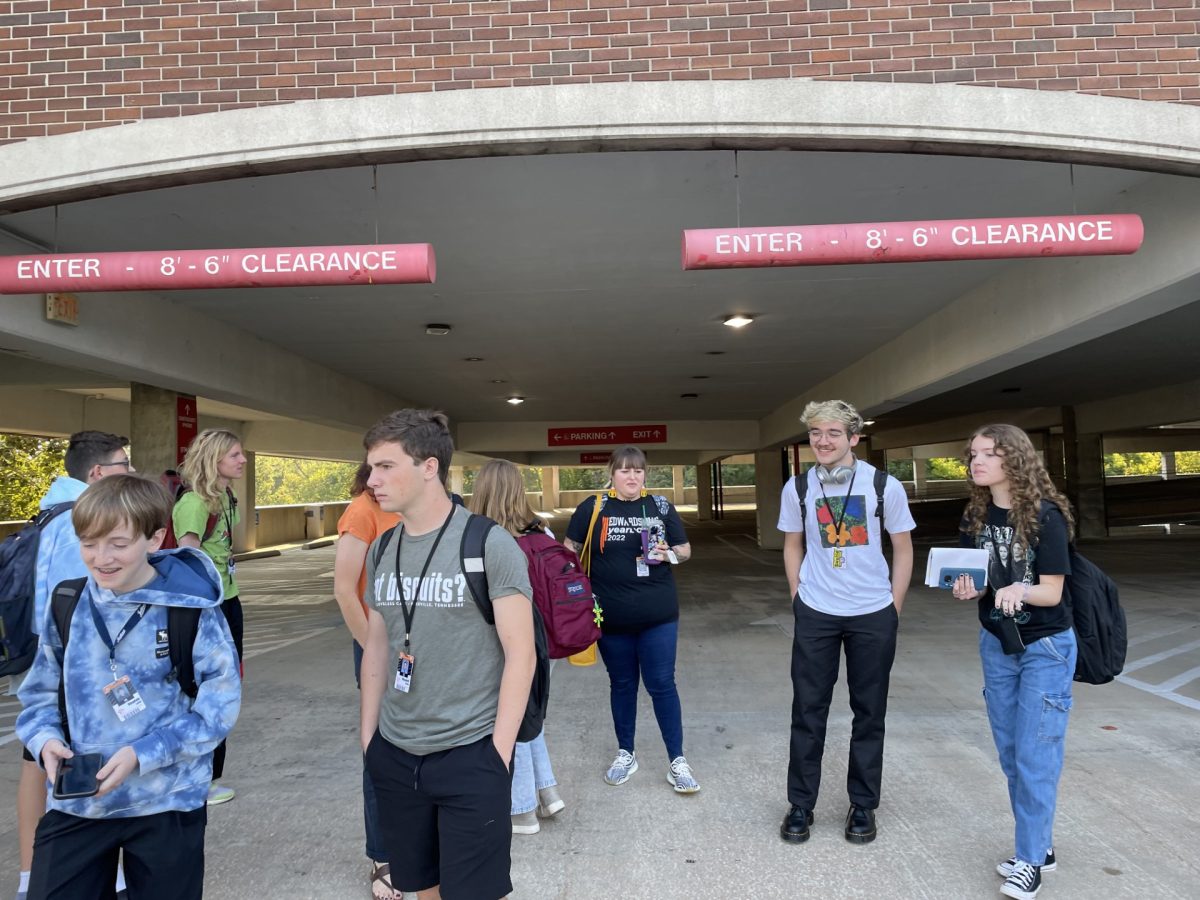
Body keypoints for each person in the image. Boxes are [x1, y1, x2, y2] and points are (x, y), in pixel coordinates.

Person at [16, 474, 241, 899]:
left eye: (117, 544)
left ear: (154, 539)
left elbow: (219, 709)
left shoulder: (190, 609)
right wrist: (44, 739)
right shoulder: (67, 601)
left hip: (167, 800)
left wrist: (142, 754)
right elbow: (39, 694)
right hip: (80, 799)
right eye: (88, 543)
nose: (101, 558)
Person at [359, 410, 536, 900]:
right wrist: (369, 737)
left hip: (471, 751)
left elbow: (521, 656)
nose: (372, 480)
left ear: (429, 467)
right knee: (423, 889)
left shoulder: (488, 544)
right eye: (371, 468)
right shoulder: (382, 548)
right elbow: (377, 643)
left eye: (385, 466)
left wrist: (498, 755)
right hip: (396, 753)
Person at [776, 400, 914, 845]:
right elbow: (793, 544)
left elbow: (904, 548)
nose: (823, 440)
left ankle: (863, 805)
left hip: (872, 613)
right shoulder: (797, 487)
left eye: (833, 432)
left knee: (869, 712)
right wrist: (799, 596)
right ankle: (800, 804)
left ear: (854, 437)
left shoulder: (882, 485)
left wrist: (892, 606)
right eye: (816, 433)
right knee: (808, 710)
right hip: (817, 611)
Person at [952, 424, 1076, 900]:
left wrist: (1019, 589)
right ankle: (1038, 845)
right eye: (973, 454)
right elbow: (977, 580)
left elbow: (1052, 590)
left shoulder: (1045, 516)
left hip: (1045, 647)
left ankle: (1029, 861)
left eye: (987, 454)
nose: (975, 462)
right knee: (1010, 753)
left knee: (1035, 754)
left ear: (1014, 461)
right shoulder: (975, 516)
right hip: (998, 644)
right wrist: (970, 588)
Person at [11, 430, 133, 900]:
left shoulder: (51, 509)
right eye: (123, 464)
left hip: (43, 658)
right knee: (64, 760)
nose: (130, 470)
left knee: (36, 761)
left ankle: (30, 875)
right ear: (98, 473)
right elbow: (79, 605)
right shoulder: (80, 520)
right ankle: (73, 873)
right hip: (67, 666)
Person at [563, 445, 698, 794]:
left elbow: (685, 550)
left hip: (659, 615)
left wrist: (668, 554)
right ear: (612, 473)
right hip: (610, 618)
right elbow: (568, 551)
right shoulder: (594, 507)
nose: (632, 477)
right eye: (624, 470)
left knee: (662, 684)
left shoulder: (661, 507)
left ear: (645, 474)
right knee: (622, 685)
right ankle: (626, 752)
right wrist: (576, 590)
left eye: (638, 471)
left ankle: (677, 761)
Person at [468, 459, 566, 836]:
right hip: (545, 638)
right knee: (530, 714)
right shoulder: (543, 529)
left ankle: (522, 810)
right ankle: (548, 791)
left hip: (504, 641)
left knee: (512, 717)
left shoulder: (480, 538)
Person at [334, 461, 401, 900]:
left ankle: (416, 843)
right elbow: (344, 588)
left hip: (415, 646)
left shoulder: (410, 510)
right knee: (379, 749)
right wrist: (372, 651)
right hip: (378, 646)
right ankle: (382, 856)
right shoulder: (362, 512)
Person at [174, 428, 247, 806]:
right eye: (235, 454)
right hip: (208, 607)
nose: (242, 460)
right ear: (214, 459)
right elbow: (189, 563)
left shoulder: (225, 498)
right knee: (207, 688)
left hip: (228, 599)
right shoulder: (195, 504)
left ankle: (209, 776)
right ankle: (198, 778)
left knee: (226, 686)